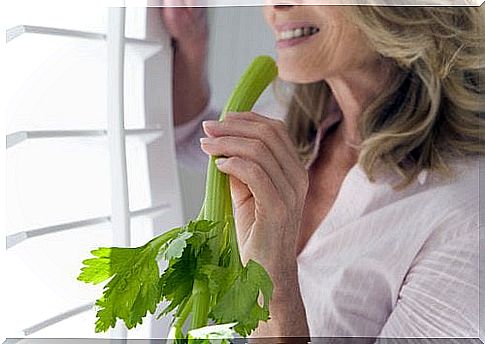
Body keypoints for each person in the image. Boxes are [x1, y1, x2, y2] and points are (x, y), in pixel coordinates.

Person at [160, 2, 483, 340]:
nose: (275, 5)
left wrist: (275, 285)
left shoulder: (467, 225)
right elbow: (191, 140)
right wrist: (192, 45)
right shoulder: (294, 120)